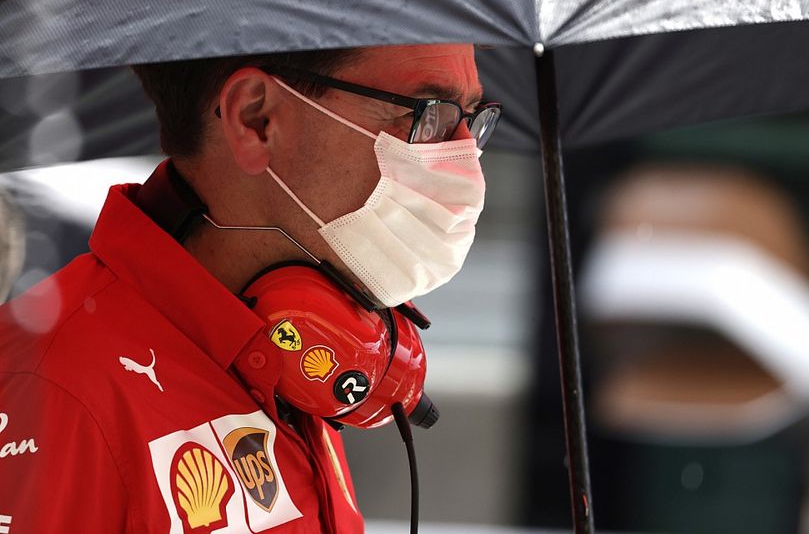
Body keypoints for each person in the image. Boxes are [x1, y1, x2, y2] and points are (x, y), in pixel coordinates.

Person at [0, 44, 500, 532]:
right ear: (255, 121)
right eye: (428, 117)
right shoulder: (53, 396)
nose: (465, 166)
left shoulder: (300, 332)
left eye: (472, 121)